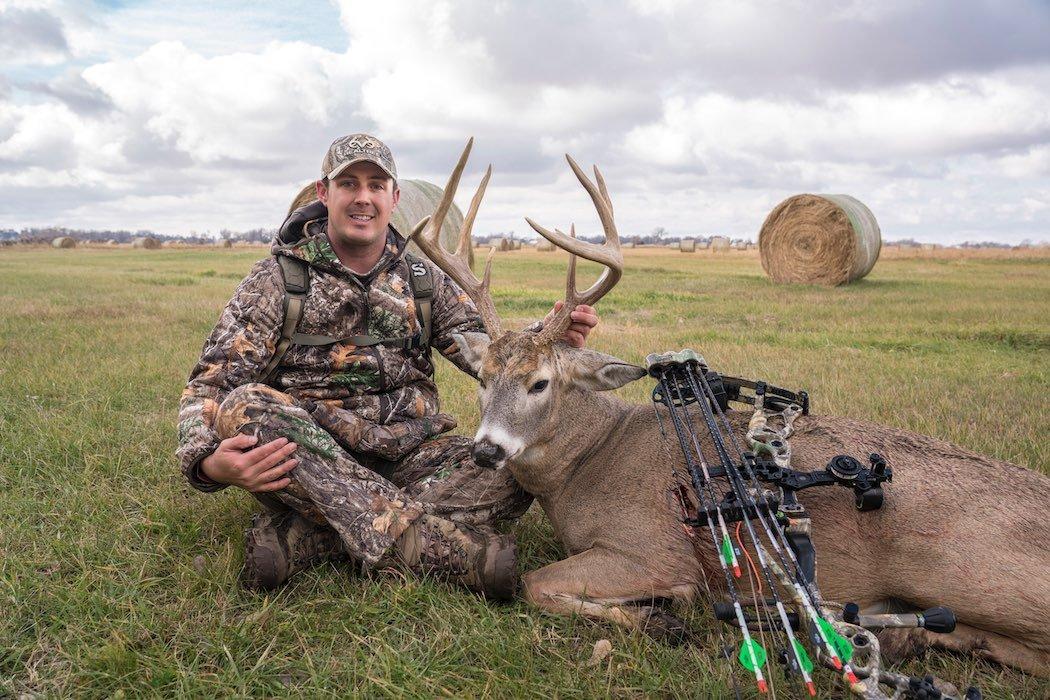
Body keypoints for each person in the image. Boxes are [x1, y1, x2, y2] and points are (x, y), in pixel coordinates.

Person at [176, 133, 599, 599]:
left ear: (394, 198)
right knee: (246, 407)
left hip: (409, 456)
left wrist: (548, 339)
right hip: (312, 456)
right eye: (349, 183)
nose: (363, 197)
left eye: (376, 185)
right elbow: (210, 386)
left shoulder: (422, 280)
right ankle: (446, 553)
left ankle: (310, 539)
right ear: (324, 193)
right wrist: (208, 464)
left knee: (511, 463)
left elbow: (490, 352)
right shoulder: (277, 281)